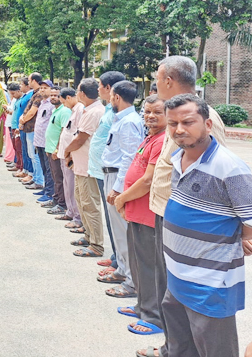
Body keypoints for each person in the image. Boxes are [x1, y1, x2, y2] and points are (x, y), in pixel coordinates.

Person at [139, 56, 228, 357]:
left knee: (189, 298)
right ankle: (173, 349)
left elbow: (215, 173)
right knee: (171, 293)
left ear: (167, 80)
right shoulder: (176, 114)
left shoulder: (200, 116)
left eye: (157, 78)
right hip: (170, 217)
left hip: (191, 224)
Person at [160, 94, 251, 357]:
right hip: (177, 277)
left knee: (215, 351)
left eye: (188, 122)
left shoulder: (230, 167)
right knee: (181, 348)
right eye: (173, 123)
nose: (179, 129)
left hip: (210, 283)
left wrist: (240, 236)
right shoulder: (178, 159)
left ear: (208, 124)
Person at [113, 95, 166, 336]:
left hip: (147, 213)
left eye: (157, 112)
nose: (150, 116)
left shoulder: (163, 140)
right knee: (138, 263)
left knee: (149, 266)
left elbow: (147, 180)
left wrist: (122, 197)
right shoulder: (150, 137)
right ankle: (142, 306)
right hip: (136, 212)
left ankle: (154, 317)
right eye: (147, 112)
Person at [98, 80, 145, 299]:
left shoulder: (129, 122)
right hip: (112, 174)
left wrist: (118, 189)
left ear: (116, 97)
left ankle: (131, 281)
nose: (108, 99)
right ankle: (123, 271)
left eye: (111, 96)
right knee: (118, 232)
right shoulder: (124, 119)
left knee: (124, 232)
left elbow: (130, 157)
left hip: (118, 177)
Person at [88, 71, 126, 271]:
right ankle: (115, 256)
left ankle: (120, 262)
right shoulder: (110, 111)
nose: (98, 89)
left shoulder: (121, 116)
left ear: (109, 88)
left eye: (100, 85)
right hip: (102, 170)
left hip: (113, 173)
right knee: (111, 219)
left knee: (116, 221)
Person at [64, 78, 105, 258]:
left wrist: (66, 151)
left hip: (89, 166)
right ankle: (88, 236)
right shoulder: (90, 110)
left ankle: (96, 245)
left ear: (81, 93)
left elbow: (80, 139)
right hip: (81, 165)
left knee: (90, 205)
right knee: (82, 202)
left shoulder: (94, 112)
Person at [55, 88, 84, 226]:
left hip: (70, 155)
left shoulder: (79, 109)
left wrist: (70, 153)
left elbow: (77, 135)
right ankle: (70, 212)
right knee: (67, 184)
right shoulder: (73, 110)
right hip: (64, 153)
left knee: (72, 186)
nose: (64, 105)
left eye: (64, 102)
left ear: (69, 98)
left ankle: (77, 217)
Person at [44, 87, 72, 215]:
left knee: (60, 178)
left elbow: (64, 131)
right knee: (55, 177)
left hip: (57, 150)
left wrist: (57, 149)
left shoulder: (64, 111)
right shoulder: (55, 110)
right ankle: (56, 199)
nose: (53, 97)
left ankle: (62, 204)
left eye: (56, 95)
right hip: (50, 149)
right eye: (52, 95)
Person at [19, 73, 44, 189]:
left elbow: (33, 111)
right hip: (29, 128)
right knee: (31, 154)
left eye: (29, 80)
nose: (28, 82)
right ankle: (35, 177)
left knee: (35, 156)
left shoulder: (39, 94)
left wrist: (23, 120)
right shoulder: (34, 93)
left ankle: (39, 180)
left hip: (33, 128)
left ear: (34, 80)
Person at [33, 80, 55, 199]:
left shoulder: (52, 105)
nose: (42, 90)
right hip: (39, 141)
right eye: (41, 88)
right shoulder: (42, 103)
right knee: (44, 167)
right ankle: (46, 189)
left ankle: (50, 193)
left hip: (47, 142)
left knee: (49, 169)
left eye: (45, 88)